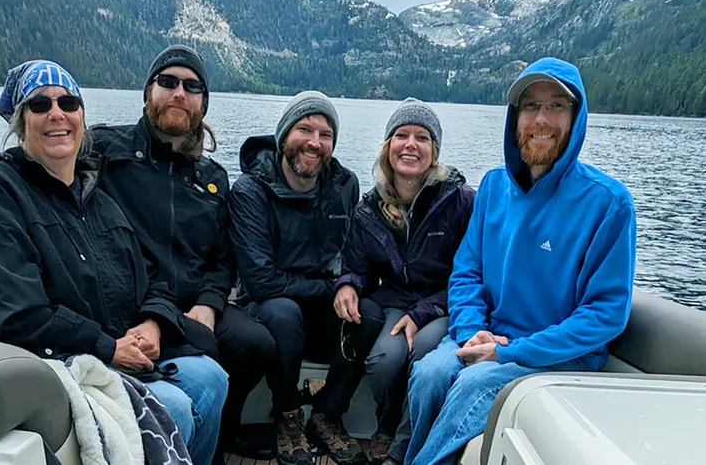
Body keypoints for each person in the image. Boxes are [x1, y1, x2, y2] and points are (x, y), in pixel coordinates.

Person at [0, 60, 227, 465]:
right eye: (40, 105)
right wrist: (107, 347)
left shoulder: (97, 199)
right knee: (174, 405)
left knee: (212, 377)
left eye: (69, 102)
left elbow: (150, 276)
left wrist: (152, 323)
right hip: (50, 358)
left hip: (114, 345)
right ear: (20, 123)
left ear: (82, 119)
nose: (57, 114)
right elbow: (16, 310)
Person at [405, 57, 637, 465]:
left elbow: (605, 315)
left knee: (472, 385)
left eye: (556, 106)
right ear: (515, 117)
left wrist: (509, 353)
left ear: (576, 117)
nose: (541, 119)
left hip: (558, 356)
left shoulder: (608, 203)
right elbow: (467, 272)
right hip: (487, 333)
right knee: (428, 375)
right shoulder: (494, 187)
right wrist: (473, 330)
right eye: (530, 106)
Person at [92, 44, 274, 463]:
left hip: (191, 302)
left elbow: (223, 257)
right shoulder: (105, 152)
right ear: (147, 93)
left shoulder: (212, 178)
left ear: (202, 104)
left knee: (258, 343)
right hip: (129, 303)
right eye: (168, 82)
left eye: (192, 87)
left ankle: (220, 437)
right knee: (204, 354)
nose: (179, 93)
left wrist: (210, 304)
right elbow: (48, 152)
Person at [229, 91, 379, 465]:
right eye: (304, 129)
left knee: (371, 314)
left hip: (319, 305)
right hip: (268, 307)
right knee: (283, 313)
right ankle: (288, 415)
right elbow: (260, 281)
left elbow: (352, 252)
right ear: (284, 136)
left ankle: (327, 415)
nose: (314, 142)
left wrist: (348, 285)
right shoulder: (250, 190)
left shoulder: (344, 185)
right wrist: (332, 287)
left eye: (325, 134)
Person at [332, 98, 475, 465]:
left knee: (423, 349)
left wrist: (425, 311)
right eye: (401, 135)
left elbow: (472, 271)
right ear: (388, 146)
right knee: (382, 361)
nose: (411, 144)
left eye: (422, 137)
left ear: (434, 150)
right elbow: (354, 262)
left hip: (443, 302)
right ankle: (386, 422)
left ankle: (399, 439)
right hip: (395, 300)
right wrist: (347, 284)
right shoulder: (369, 207)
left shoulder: (459, 201)